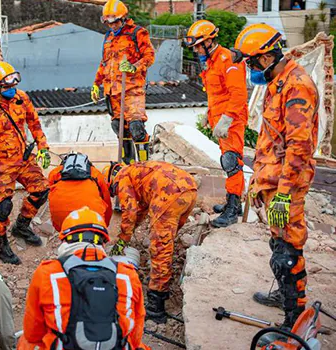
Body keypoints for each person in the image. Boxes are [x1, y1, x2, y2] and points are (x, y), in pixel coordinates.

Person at [232, 23, 319, 331]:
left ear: (266, 58)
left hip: (287, 185)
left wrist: (284, 192)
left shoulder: (297, 86)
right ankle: (285, 295)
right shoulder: (277, 81)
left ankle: (295, 320)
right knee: (277, 244)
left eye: (251, 61)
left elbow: (299, 146)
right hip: (273, 182)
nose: (250, 68)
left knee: (288, 252)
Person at [18, 207, 149, 350]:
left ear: (66, 240)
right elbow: (136, 337)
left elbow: (33, 334)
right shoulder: (127, 275)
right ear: (103, 243)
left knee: (27, 342)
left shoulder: (48, 273)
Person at [0, 61, 51, 265]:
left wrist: (43, 147)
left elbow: (34, 122)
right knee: (3, 206)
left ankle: (22, 225)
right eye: (7, 87)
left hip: (24, 158)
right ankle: (1, 244)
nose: (12, 90)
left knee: (41, 190)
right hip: (1, 165)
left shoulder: (21, 99)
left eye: (14, 85)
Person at [104, 161, 197, 324]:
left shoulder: (123, 177)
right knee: (166, 241)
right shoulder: (136, 171)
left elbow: (129, 212)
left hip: (169, 192)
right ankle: (161, 278)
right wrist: (130, 232)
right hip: (188, 188)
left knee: (160, 249)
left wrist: (122, 241)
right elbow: (140, 211)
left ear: (111, 181)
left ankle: (156, 305)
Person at [184, 20, 249, 228]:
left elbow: (238, 94)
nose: (196, 50)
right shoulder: (212, 61)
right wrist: (209, 113)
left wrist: (227, 118)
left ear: (209, 41)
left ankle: (232, 209)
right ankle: (234, 201)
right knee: (227, 161)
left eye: (197, 45)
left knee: (232, 162)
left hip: (232, 120)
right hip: (220, 118)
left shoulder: (228, 59)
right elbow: (217, 93)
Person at [92, 0, 155, 164]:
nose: (112, 26)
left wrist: (134, 67)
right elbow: (104, 63)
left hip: (132, 90)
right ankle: (128, 163)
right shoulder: (108, 37)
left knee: (136, 128)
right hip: (112, 92)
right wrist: (96, 83)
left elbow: (149, 56)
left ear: (123, 18)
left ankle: (143, 164)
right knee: (119, 128)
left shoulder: (137, 33)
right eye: (108, 23)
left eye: (115, 22)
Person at [48, 152, 112, 232]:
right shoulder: (96, 174)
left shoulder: (54, 173)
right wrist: (104, 226)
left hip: (63, 222)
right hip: (92, 221)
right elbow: (107, 200)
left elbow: (51, 195)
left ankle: (64, 234)